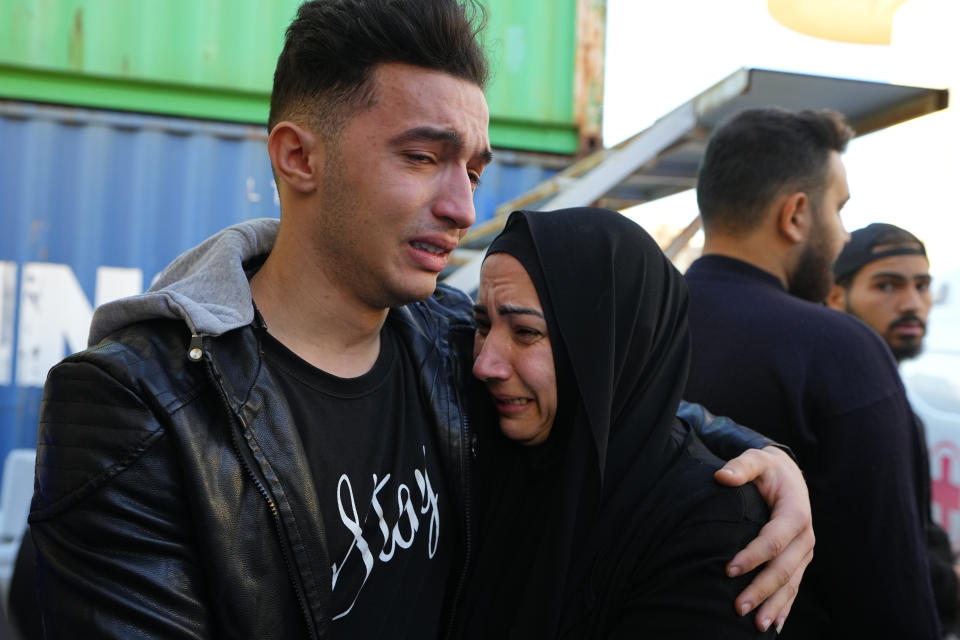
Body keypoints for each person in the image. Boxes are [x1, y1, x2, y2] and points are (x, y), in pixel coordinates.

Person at [29, 1, 811, 637]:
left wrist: (763, 459)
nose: (463, 208)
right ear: (299, 158)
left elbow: (605, 400)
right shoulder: (140, 407)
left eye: (473, 168)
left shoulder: (451, 347)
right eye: (422, 158)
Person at [456, 207, 776, 638]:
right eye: (481, 324)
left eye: (526, 332)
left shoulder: (712, 527)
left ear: (608, 347)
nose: (485, 365)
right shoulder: (479, 456)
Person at [684, 107, 941, 638]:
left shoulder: (629, 327)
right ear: (797, 215)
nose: (844, 236)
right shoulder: (838, 348)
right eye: (839, 209)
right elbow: (889, 586)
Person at [827, 223, 959, 636]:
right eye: (887, 286)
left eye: (922, 286)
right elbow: (882, 556)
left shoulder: (892, 399)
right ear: (835, 297)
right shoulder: (847, 403)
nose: (912, 303)